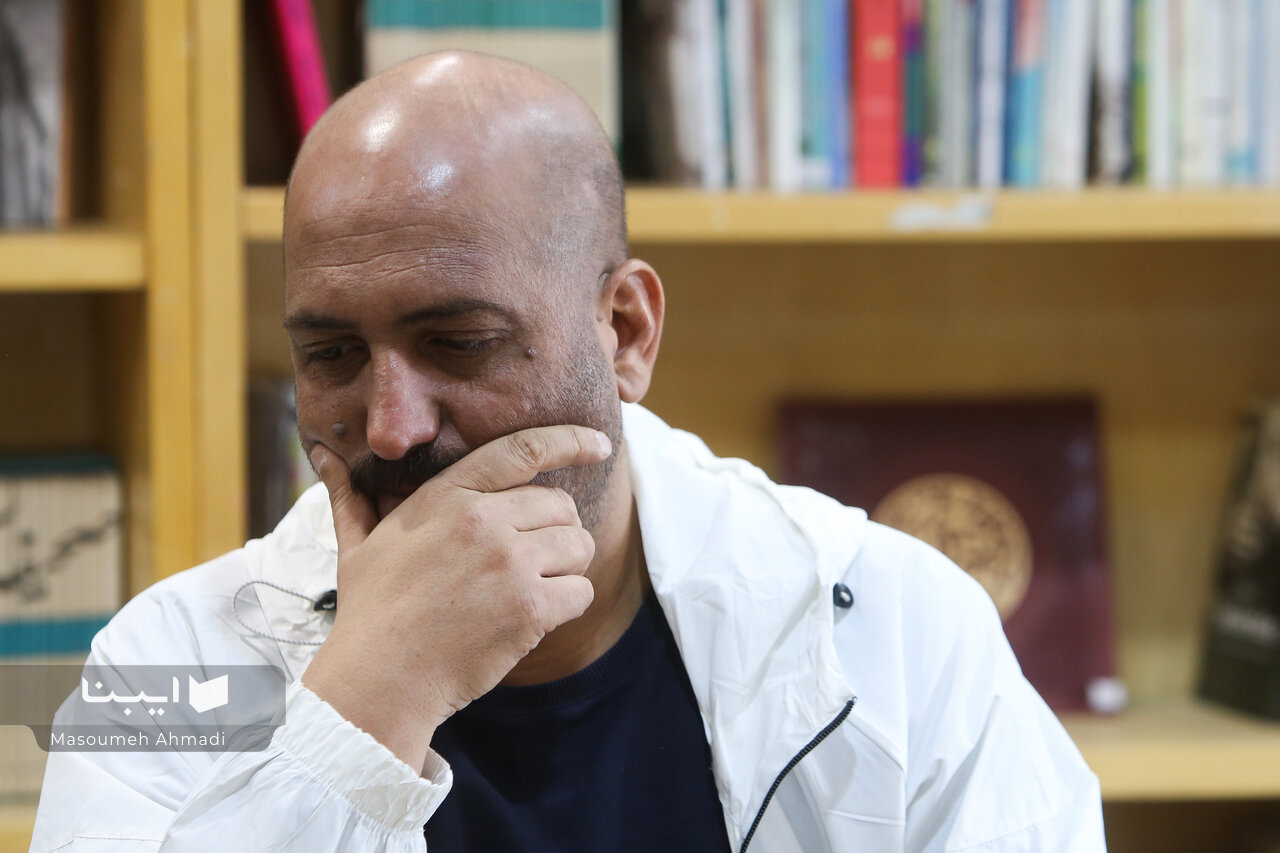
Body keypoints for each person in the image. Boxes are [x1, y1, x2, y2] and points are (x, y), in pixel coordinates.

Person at [31, 52, 1105, 851]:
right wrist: (363, 703)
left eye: (460, 343)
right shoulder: (165, 662)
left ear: (626, 332)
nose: (392, 425)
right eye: (332, 355)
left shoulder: (903, 632)